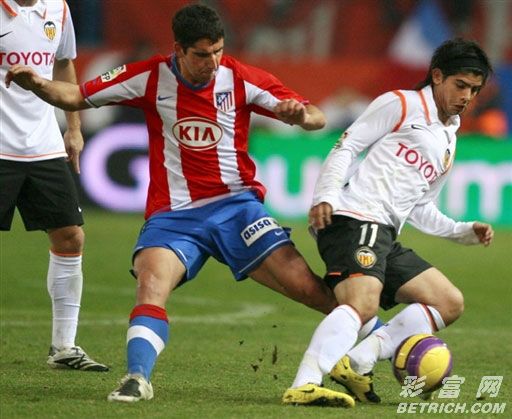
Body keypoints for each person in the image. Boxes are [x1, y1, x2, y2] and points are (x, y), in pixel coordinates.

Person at [5, 3, 383, 403]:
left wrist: (300, 115)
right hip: (175, 215)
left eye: (218, 51)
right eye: (202, 55)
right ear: (179, 50)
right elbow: (76, 95)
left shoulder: (241, 78)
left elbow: (317, 117)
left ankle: (394, 342)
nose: (212, 62)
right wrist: (38, 84)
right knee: (151, 285)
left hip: (238, 209)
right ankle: (137, 378)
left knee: (310, 290)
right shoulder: (149, 76)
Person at [282, 38, 494, 407]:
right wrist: (325, 195)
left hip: (384, 233)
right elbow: (347, 145)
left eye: (474, 90)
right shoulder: (401, 103)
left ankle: (357, 362)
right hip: (355, 217)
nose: (466, 96)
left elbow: (421, 206)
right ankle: (306, 382)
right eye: (460, 85)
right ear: (437, 76)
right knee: (362, 303)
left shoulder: (448, 138)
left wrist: (463, 231)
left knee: (448, 302)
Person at [0, 0, 107, 371]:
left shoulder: (57, 9)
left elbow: (64, 64)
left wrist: (73, 127)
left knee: (70, 237)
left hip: (43, 146)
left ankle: (64, 347)